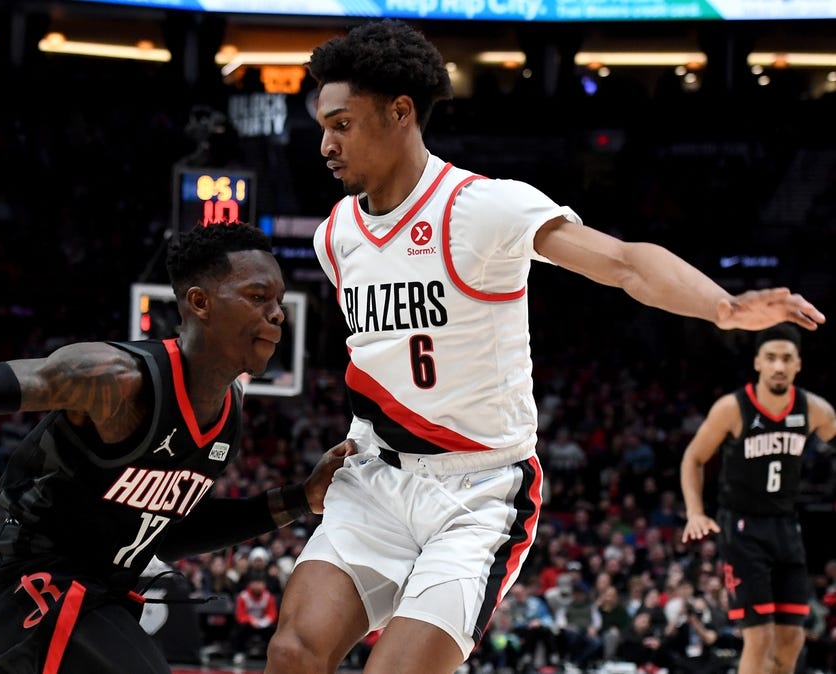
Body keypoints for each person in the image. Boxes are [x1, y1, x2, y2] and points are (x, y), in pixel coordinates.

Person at [265, 19, 826, 674]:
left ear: (400, 112)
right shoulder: (334, 235)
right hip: (374, 478)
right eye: (322, 126)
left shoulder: (482, 207)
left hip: (475, 492)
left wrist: (721, 307)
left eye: (342, 124)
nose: (325, 144)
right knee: (291, 653)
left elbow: (621, 262)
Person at [0, 222, 354, 673]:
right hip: (29, 580)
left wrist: (299, 499)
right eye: (258, 297)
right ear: (200, 302)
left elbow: (166, 531)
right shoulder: (115, 379)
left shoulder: (228, 412)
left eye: (279, 299)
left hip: (96, 592)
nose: (277, 313)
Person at [680, 323, 836, 674]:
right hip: (742, 528)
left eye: (786, 358)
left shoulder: (815, 410)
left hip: (786, 526)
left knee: (792, 639)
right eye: (771, 358)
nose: (779, 366)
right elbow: (694, 457)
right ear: (757, 363)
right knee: (759, 636)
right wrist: (694, 511)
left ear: (798, 364)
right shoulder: (732, 408)